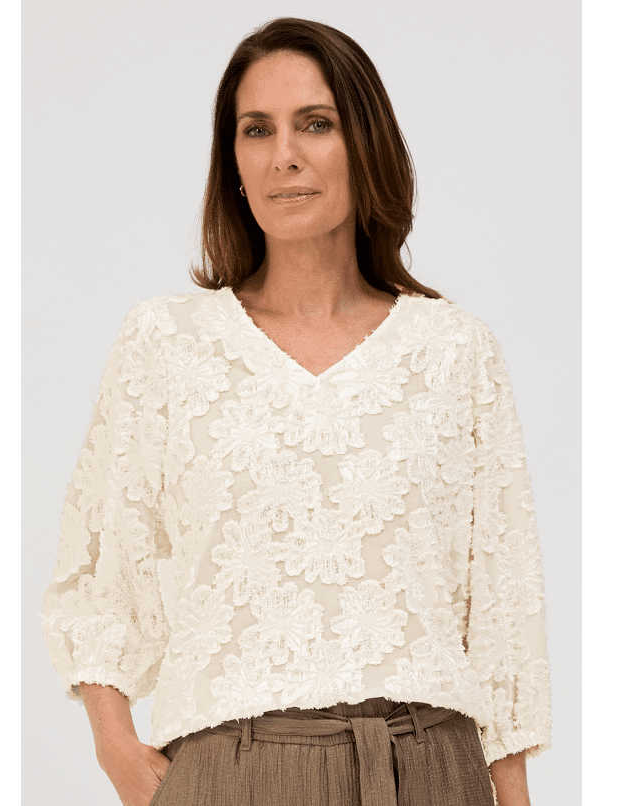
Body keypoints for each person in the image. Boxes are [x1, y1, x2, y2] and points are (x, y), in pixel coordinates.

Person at [41, 17, 551, 806]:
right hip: (232, 771)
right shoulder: (167, 344)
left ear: (365, 147)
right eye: (257, 129)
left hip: (430, 768)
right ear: (234, 164)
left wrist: (512, 793)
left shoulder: (455, 351)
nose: (284, 155)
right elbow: (96, 572)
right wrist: (116, 749)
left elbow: (502, 607)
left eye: (315, 123)